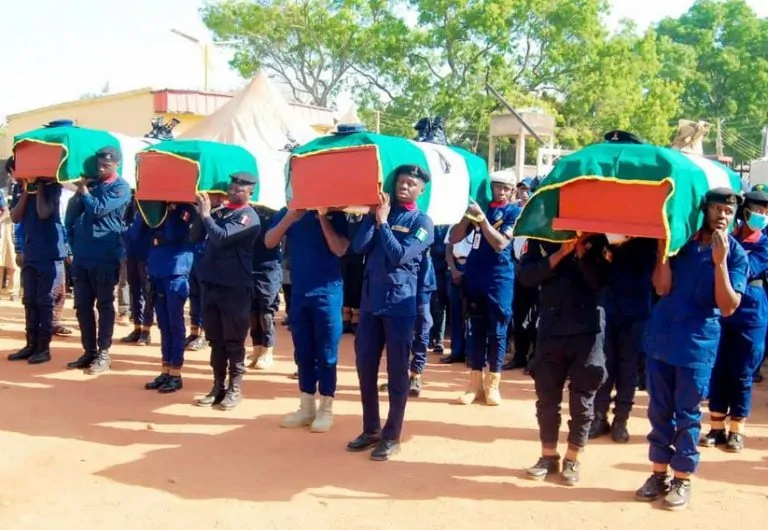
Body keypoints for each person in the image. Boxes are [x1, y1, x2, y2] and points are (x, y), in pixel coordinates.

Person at [636, 187, 748, 510]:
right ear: (705, 210)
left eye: (728, 211)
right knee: (659, 411)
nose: (723, 216)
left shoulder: (736, 254)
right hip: (662, 340)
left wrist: (720, 263)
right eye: (717, 209)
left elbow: (728, 306)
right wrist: (664, 248)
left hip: (696, 345)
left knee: (687, 414)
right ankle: (658, 474)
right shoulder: (682, 243)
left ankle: (682, 479)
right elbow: (662, 287)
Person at [347, 164, 434, 461]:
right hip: (371, 303)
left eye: (411, 183)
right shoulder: (383, 212)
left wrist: (383, 224)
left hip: (399, 306)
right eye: (401, 182)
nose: (404, 187)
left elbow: (400, 255)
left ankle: (391, 435)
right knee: (365, 367)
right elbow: (359, 246)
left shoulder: (422, 221)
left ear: (421, 190)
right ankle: (370, 428)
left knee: (397, 372)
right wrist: (374, 217)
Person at [518, 234, 611, 485]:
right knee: (547, 397)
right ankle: (548, 456)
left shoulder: (599, 238)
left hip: (587, 330)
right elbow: (525, 276)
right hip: (551, 326)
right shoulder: (540, 235)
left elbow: (600, 282)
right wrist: (560, 254)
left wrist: (580, 251)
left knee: (583, 399)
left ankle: (573, 458)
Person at [264, 204, 349, 432]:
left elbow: (340, 249)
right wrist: (290, 217)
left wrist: (323, 217)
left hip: (328, 293)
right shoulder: (289, 211)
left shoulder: (336, 214)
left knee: (327, 352)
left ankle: (326, 407)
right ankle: (307, 406)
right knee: (303, 351)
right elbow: (269, 241)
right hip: (300, 292)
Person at [700, 188, 768, 452]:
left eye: (765, 212)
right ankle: (716, 426)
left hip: (751, 313)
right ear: (745, 212)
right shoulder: (727, 237)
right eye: (757, 210)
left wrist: (722, 258)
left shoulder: (764, 243)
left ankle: (737, 429)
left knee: (742, 373)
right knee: (718, 368)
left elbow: (748, 268)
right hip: (721, 310)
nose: (761, 215)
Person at [449, 172, 520, 406]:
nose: (501, 192)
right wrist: (467, 217)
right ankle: (474, 384)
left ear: (512, 191)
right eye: (497, 187)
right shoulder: (481, 208)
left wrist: (482, 221)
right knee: (475, 328)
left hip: (499, 277)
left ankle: (493, 384)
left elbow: (500, 243)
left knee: (497, 330)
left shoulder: (513, 212)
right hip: (475, 274)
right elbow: (454, 238)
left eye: (506, 188)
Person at [193, 173, 261, 410]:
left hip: (235, 287)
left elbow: (221, 237)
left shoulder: (248, 217)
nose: (233, 192)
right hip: (212, 284)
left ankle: (234, 388)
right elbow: (195, 236)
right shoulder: (219, 213)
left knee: (234, 341)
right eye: (231, 188)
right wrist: (201, 212)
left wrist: (206, 215)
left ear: (250, 193)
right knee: (216, 340)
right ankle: (217, 386)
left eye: (239, 190)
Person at [64, 146, 132, 373]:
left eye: (106, 165)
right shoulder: (91, 185)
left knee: (104, 304)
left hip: (105, 255)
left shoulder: (121, 188)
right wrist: (71, 245)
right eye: (99, 165)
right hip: (82, 255)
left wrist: (84, 190)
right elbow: (71, 215)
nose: (101, 169)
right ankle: (89, 351)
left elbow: (98, 210)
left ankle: (104, 353)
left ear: (116, 165)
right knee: (82, 305)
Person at [591, 237, 657, 443]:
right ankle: (599, 416)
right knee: (603, 364)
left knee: (628, 367)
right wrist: (609, 246)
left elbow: (651, 264)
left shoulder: (649, 238)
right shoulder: (603, 237)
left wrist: (623, 245)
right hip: (607, 304)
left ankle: (621, 419)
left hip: (636, 308)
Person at [7, 176, 67, 365]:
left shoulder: (53, 186)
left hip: (49, 253)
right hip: (30, 251)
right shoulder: (21, 188)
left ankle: (43, 348)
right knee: (29, 300)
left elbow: (43, 212)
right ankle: (30, 344)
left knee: (44, 301)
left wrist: (39, 187)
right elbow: (15, 216)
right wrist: (27, 190)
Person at [143, 202, 197, 393]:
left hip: (176, 271)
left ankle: (176, 372)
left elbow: (174, 233)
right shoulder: (155, 209)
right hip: (157, 270)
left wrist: (171, 210)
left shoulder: (186, 210)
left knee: (175, 324)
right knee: (163, 324)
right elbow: (139, 235)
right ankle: (165, 369)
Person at [247, 206, 282, 370]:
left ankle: (268, 351)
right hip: (249, 266)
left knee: (266, 311)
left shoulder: (274, 214)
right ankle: (257, 348)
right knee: (252, 311)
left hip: (268, 268)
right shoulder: (246, 212)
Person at [440, 225, 473, 365]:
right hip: (456, 267)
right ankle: (457, 351)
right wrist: (453, 269)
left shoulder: (481, 226)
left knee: (472, 312)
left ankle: (471, 353)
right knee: (455, 311)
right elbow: (448, 249)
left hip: (474, 267)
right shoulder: (454, 225)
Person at [121, 208, 154, 346]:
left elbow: (134, 232)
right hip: (131, 254)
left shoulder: (150, 207)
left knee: (148, 294)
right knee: (134, 293)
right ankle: (137, 328)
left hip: (145, 256)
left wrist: (124, 231)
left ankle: (146, 330)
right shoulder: (131, 206)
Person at [341, 212, 366, 334]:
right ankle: (345, 317)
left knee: (357, 284)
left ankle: (356, 318)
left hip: (359, 255)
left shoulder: (365, 215)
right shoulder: (342, 213)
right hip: (343, 254)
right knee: (344, 284)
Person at [429, 225, 451, 353]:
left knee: (439, 306)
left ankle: (439, 339)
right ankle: (428, 337)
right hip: (427, 271)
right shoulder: (428, 224)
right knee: (427, 305)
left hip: (441, 272)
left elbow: (442, 250)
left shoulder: (449, 227)